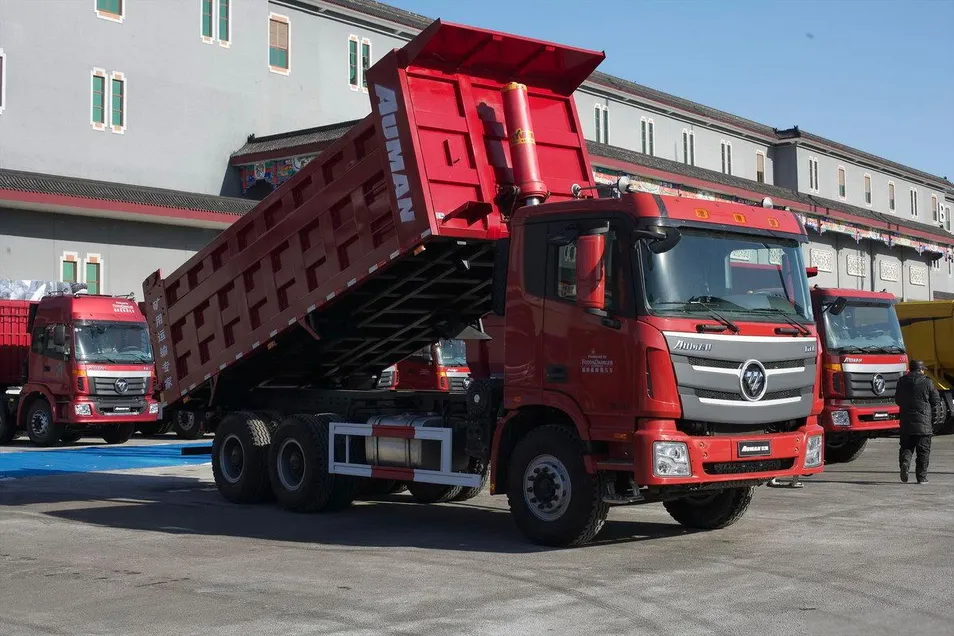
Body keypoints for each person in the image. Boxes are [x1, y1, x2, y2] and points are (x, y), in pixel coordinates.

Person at [894, 359, 940, 484]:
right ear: (921, 369)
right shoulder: (927, 382)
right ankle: (921, 478)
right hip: (923, 423)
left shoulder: (902, 381)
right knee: (923, 451)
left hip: (906, 422)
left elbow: (897, 400)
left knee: (906, 447)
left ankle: (905, 461)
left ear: (910, 369)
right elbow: (935, 401)